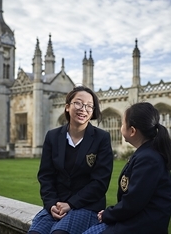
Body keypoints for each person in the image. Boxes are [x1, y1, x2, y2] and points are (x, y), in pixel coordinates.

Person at [28, 86, 114, 234]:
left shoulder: (101, 138)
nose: (83, 109)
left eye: (89, 106)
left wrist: (71, 204)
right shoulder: (52, 136)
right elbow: (46, 176)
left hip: (86, 206)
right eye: (78, 103)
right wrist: (51, 205)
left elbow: (100, 183)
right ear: (67, 107)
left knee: (59, 233)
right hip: (57, 205)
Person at [83, 102, 171, 234]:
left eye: (123, 123)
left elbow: (133, 202)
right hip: (133, 221)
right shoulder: (146, 153)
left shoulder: (149, 159)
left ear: (132, 130)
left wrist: (108, 214)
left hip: (140, 227)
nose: (120, 127)